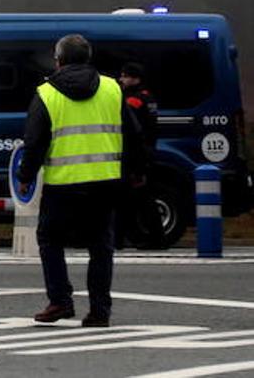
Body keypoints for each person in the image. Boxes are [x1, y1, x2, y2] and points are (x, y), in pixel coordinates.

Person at [16, 34, 147, 327]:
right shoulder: (113, 88)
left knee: (49, 240)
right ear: (88, 59)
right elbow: (134, 133)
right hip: (106, 180)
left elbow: (34, 141)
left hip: (63, 182)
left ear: (58, 60)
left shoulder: (47, 93)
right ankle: (100, 310)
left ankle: (60, 301)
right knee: (101, 245)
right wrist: (137, 171)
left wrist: (25, 177)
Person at [115, 62, 161, 248]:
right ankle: (136, 236)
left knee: (136, 199)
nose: (121, 79)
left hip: (134, 156)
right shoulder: (148, 98)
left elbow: (130, 131)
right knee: (136, 199)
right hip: (145, 153)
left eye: (125, 76)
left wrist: (136, 164)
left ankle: (152, 238)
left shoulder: (133, 101)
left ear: (135, 78)